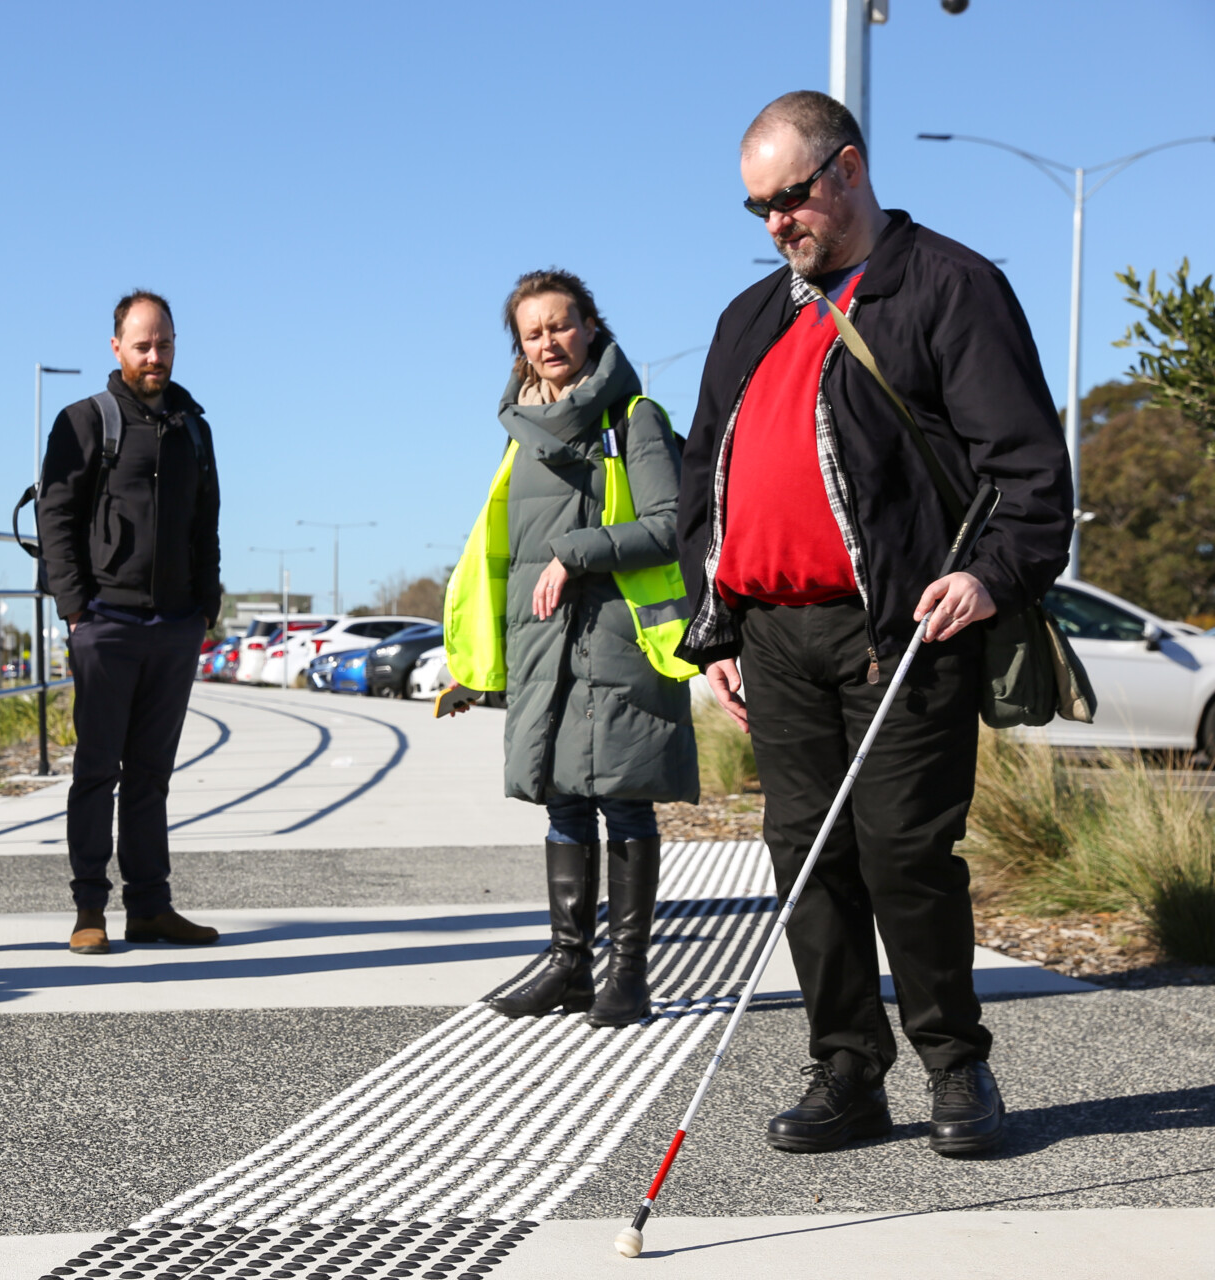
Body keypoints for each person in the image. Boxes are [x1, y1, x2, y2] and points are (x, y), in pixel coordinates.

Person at [676, 92, 1071, 1156]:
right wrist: (714, 629)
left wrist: (989, 577)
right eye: (757, 207)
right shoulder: (749, 318)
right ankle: (846, 1069)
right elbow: (701, 482)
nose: (776, 225)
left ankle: (957, 1065)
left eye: (791, 198)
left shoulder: (950, 286)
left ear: (847, 169)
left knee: (904, 850)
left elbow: (1030, 477)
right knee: (808, 856)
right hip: (774, 637)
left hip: (901, 633)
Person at [453, 270, 699, 1026]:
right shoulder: (518, 434)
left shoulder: (634, 418)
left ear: (591, 326)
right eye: (534, 332)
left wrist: (578, 552)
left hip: (617, 638)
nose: (549, 341)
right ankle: (567, 965)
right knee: (562, 804)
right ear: (520, 349)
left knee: (622, 805)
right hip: (542, 643)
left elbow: (673, 522)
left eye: (561, 325)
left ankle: (627, 975)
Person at [35, 291, 222, 955]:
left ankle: (150, 905)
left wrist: (207, 608)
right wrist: (75, 606)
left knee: (151, 774)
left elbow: (208, 525)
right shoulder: (86, 421)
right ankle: (90, 909)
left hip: (174, 625)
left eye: (164, 343)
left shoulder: (193, 427)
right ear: (116, 346)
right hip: (106, 621)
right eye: (142, 344)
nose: (154, 356)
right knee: (96, 770)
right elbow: (55, 517)